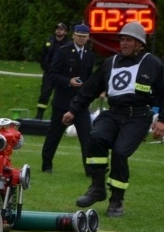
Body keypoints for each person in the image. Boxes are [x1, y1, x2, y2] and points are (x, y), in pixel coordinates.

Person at [63, 21, 164, 217]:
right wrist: (73, 110)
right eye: (122, 40)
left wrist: (162, 120)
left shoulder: (153, 64)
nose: (124, 44)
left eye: (129, 40)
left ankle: (117, 200)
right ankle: (97, 187)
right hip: (113, 113)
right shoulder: (111, 62)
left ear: (140, 44)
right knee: (96, 137)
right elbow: (90, 88)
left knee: (120, 152)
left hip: (138, 117)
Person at [41, 23, 95, 175]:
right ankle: (46, 165)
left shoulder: (90, 55)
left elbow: (89, 77)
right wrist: (68, 81)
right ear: (73, 35)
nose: (81, 39)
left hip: (80, 103)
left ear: (88, 38)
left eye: (84, 37)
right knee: (54, 135)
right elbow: (53, 74)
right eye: (79, 36)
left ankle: (90, 169)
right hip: (63, 101)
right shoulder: (63, 52)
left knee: (87, 137)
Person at [36, 22, 69, 119]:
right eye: (57, 28)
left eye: (61, 29)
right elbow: (43, 56)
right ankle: (39, 114)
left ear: (65, 32)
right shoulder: (49, 42)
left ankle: (59, 116)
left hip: (61, 75)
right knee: (44, 94)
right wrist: (45, 68)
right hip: (49, 73)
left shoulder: (68, 45)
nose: (58, 30)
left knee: (61, 96)